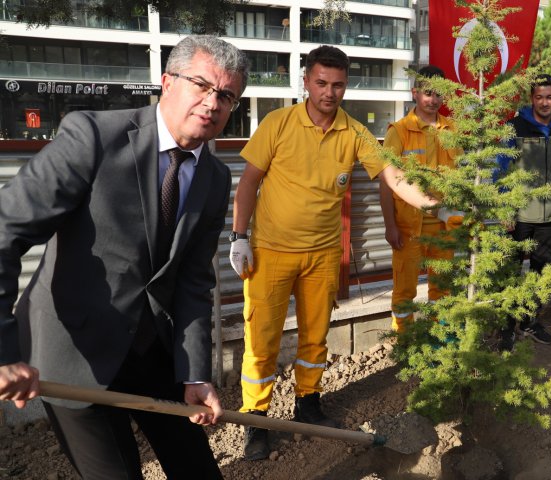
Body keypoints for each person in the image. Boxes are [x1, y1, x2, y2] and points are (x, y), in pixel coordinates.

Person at [0, 35, 247, 478]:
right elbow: (5, 231)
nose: (213, 103)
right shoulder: (92, 137)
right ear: (167, 81)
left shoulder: (213, 176)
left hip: (151, 349)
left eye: (226, 95)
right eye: (202, 85)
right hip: (75, 352)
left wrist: (194, 374)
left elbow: (193, 281)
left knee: (198, 471)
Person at [230, 45, 437, 461]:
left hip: (323, 255)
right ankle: (256, 417)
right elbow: (249, 182)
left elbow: (394, 177)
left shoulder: (355, 132)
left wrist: (434, 204)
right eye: (321, 83)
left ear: (346, 86)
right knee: (262, 338)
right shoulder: (277, 123)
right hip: (271, 251)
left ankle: (308, 403)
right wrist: (238, 236)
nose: (329, 92)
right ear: (305, 81)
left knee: (315, 336)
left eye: (338, 84)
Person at [494, 74, 551, 348]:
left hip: (550, 216)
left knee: (540, 273)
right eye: (539, 97)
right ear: (532, 98)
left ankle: (530, 322)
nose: (544, 102)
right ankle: (506, 327)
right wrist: (505, 208)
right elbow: (500, 171)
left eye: (549, 97)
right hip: (517, 218)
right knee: (511, 271)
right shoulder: (515, 127)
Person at [381, 65, 458, 333]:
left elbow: (461, 178)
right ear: (415, 93)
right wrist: (390, 225)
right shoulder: (398, 131)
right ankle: (405, 339)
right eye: (427, 93)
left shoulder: (452, 130)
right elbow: (387, 182)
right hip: (408, 227)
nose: (433, 99)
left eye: (439, 94)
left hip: (444, 226)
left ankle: (442, 337)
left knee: (443, 286)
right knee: (404, 289)